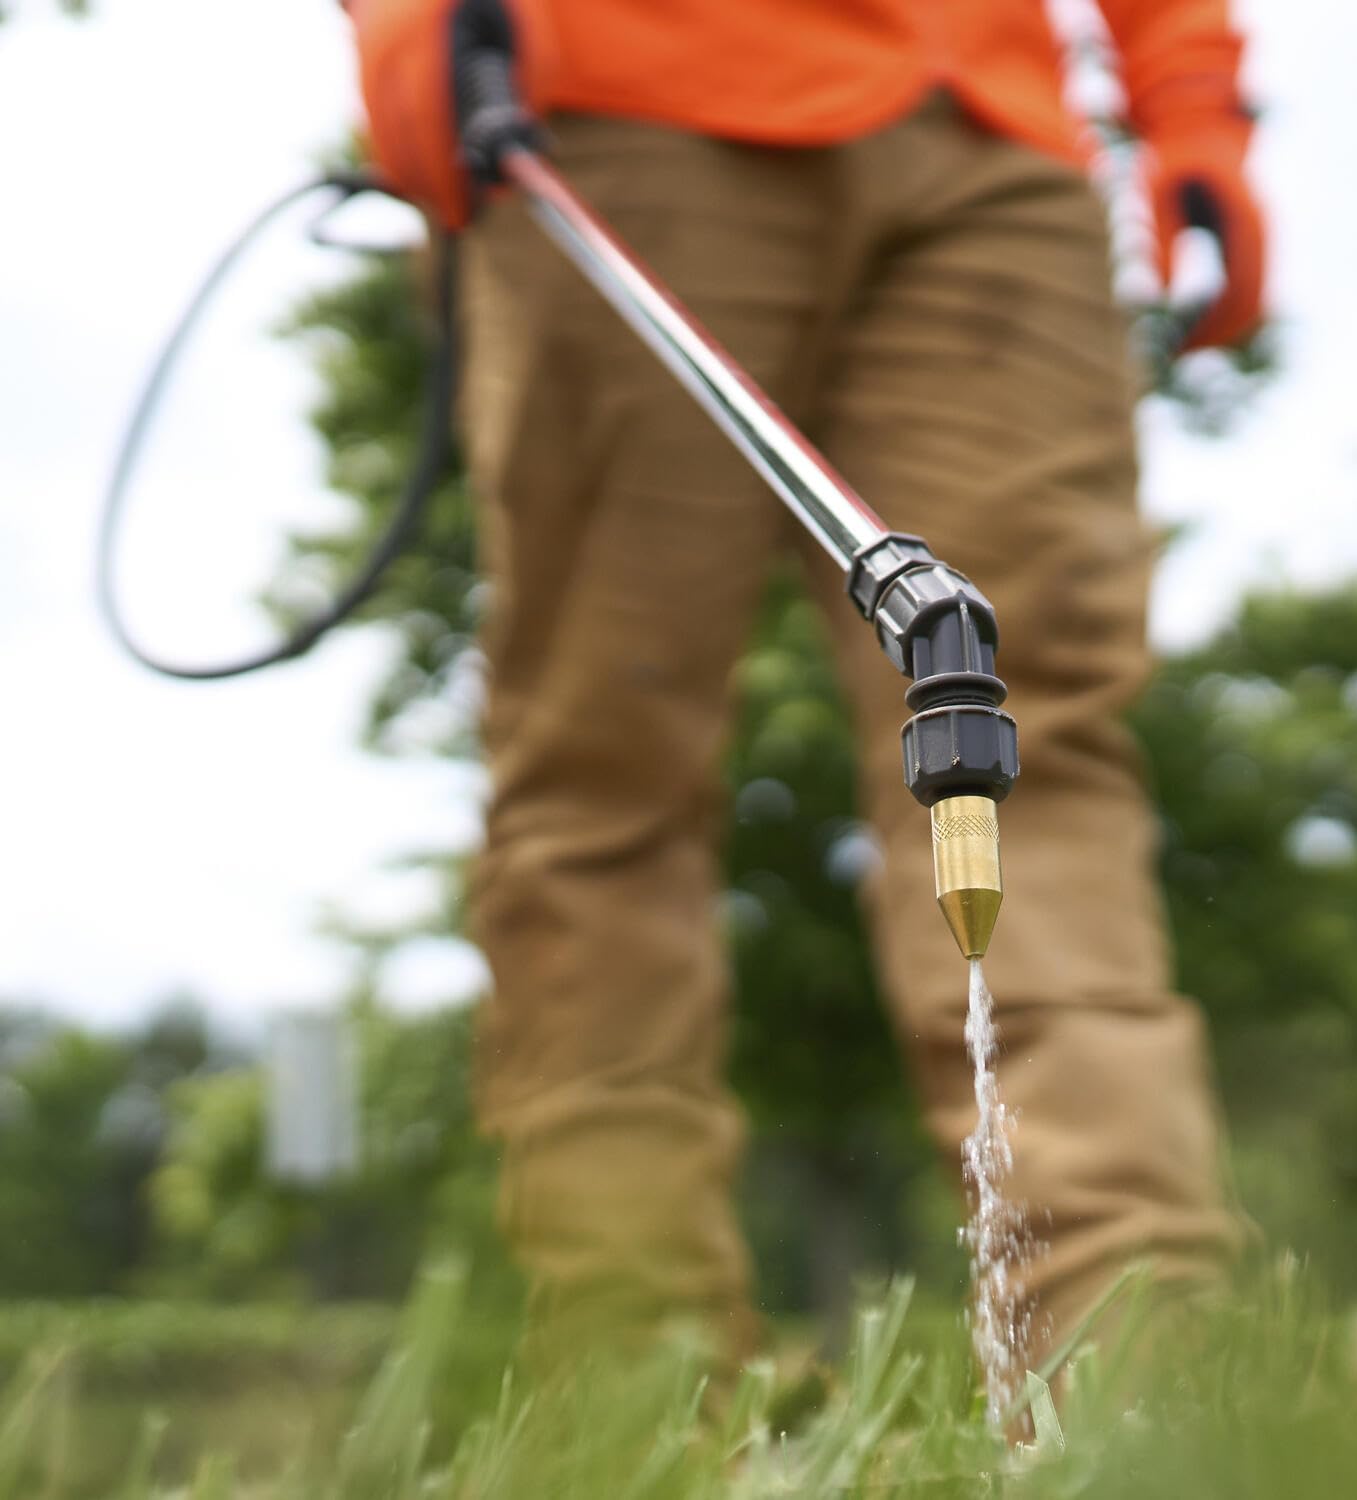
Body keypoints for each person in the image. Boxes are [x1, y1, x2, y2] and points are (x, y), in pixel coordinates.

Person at [346, 0, 1265, 1379]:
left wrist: (1190, 99)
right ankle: (631, 1362)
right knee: (603, 762)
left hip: (991, 135)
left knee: (1035, 738)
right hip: (616, 94)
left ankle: (1138, 1353)